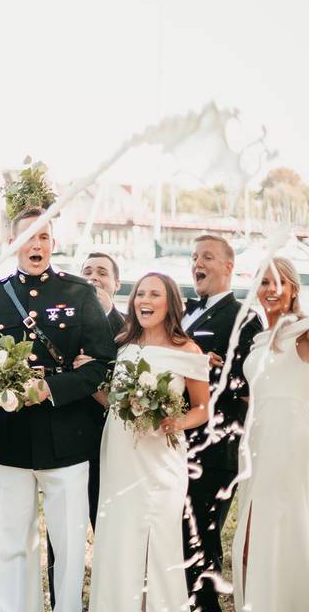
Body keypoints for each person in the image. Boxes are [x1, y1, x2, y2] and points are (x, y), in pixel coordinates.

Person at [0, 207, 113, 612]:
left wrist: (50, 386)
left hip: (68, 435)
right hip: (7, 440)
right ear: (12, 244)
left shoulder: (78, 293)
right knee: (10, 544)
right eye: (27, 237)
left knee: (67, 546)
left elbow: (102, 364)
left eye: (43, 237)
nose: (36, 244)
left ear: (54, 243)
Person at [87, 273, 210, 611]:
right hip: (120, 450)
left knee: (158, 535)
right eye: (141, 293)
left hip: (162, 457)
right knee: (119, 533)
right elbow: (114, 400)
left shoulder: (188, 350)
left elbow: (202, 407)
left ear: (170, 302)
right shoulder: (124, 344)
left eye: (155, 294)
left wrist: (178, 421)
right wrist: (88, 377)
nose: (145, 300)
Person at [181, 234, 262, 612]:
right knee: (182, 535)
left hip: (217, 446)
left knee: (202, 537)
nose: (198, 263)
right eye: (195, 256)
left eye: (208, 257)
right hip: (181, 441)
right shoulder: (184, 312)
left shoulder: (244, 316)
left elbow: (251, 384)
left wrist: (216, 371)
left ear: (229, 267)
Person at [44, 251, 126, 607]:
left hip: (116, 448)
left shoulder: (132, 328)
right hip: (68, 443)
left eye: (102, 272)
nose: (93, 277)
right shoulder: (62, 326)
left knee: (110, 530)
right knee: (60, 537)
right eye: (87, 271)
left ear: (117, 283)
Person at [231, 257, 309, 611]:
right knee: (251, 530)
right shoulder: (260, 338)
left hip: (291, 440)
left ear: (293, 289)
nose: (270, 290)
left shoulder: (304, 333)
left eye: (278, 282)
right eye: (262, 283)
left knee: (287, 521)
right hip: (257, 439)